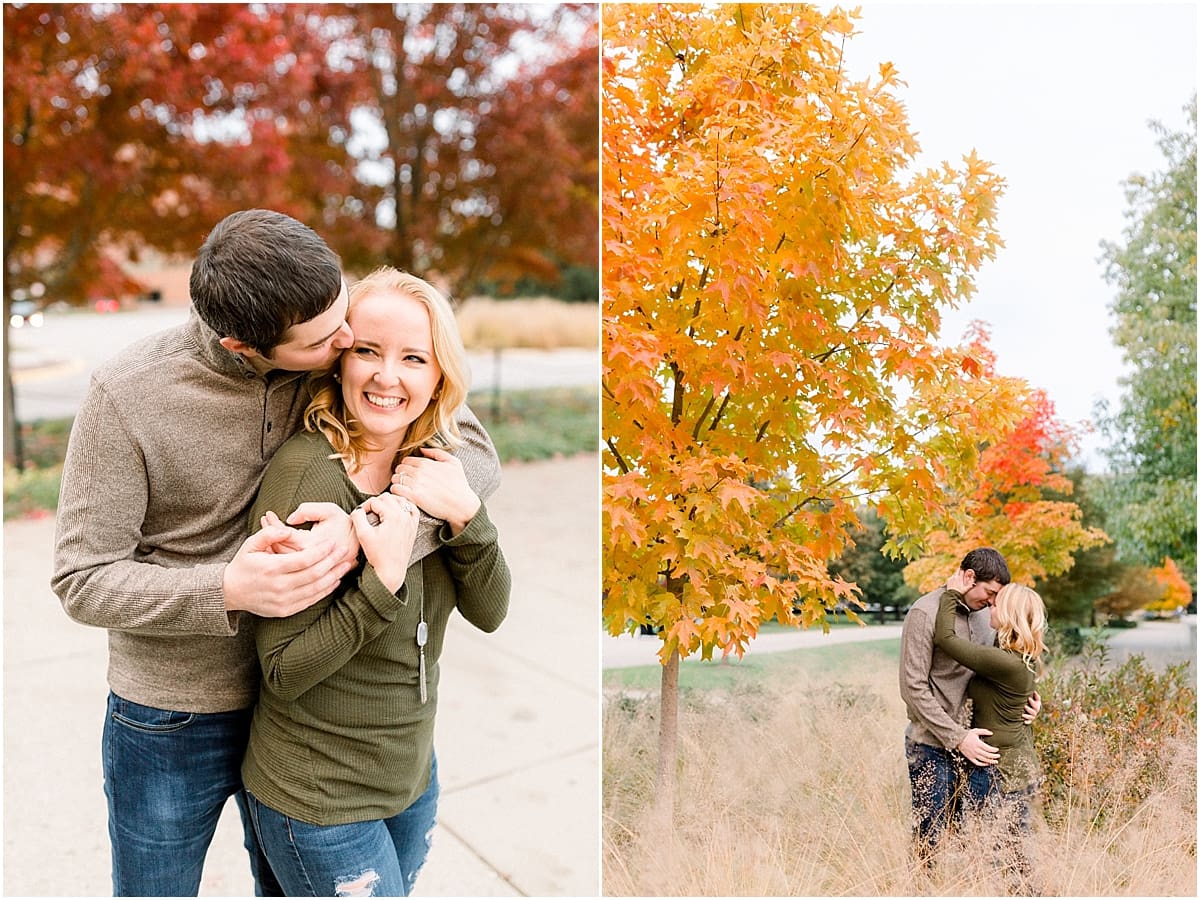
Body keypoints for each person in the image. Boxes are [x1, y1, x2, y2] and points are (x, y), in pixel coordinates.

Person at [51, 210, 500, 897]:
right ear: (243, 345)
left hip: (307, 715)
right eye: (329, 339)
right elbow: (82, 578)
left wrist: (360, 530)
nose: (350, 341)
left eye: (342, 314)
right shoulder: (127, 396)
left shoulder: (325, 343)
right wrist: (228, 589)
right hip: (174, 716)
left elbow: (467, 449)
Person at [240, 265, 511, 897]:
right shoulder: (307, 477)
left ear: (439, 374)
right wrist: (380, 582)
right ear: (340, 360)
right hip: (318, 797)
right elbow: (282, 671)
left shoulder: (437, 472)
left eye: (413, 357)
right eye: (368, 351)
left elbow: (492, 610)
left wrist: (468, 515)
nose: (388, 377)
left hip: (411, 779)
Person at [898, 547, 1041, 861]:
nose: (992, 602)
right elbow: (913, 688)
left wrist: (1027, 702)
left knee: (972, 842)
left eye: (997, 597)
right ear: (968, 577)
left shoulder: (985, 615)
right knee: (930, 840)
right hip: (933, 746)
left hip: (979, 751)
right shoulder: (925, 613)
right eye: (989, 593)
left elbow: (1007, 666)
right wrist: (958, 738)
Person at [934, 575, 1047, 892]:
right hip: (1011, 766)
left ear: (1008, 613)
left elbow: (946, 639)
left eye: (996, 603)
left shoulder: (1004, 662)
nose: (989, 606)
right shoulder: (1017, 657)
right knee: (1009, 854)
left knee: (1000, 856)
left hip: (1001, 771)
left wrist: (951, 593)